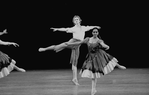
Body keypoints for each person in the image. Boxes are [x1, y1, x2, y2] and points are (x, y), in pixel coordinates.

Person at [39, 15, 100, 85]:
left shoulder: (83, 28)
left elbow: (89, 27)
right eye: (75, 20)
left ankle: (74, 79)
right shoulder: (73, 28)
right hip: (73, 42)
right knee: (61, 46)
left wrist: (96, 26)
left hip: (77, 45)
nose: (76, 21)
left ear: (80, 20)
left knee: (75, 62)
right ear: (74, 22)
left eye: (77, 19)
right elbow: (65, 29)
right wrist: (57, 29)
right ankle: (45, 49)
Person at [66, 29, 126, 95]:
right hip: (91, 58)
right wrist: (69, 43)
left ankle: (118, 65)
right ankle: (93, 89)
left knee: (108, 59)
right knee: (93, 75)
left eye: (96, 32)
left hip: (98, 55)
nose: (95, 33)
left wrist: (106, 46)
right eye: (94, 32)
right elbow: (79, 43)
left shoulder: (99, 40)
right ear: (92, 33)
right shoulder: (88, 39)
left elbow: (103, 44)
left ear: (97, 33)